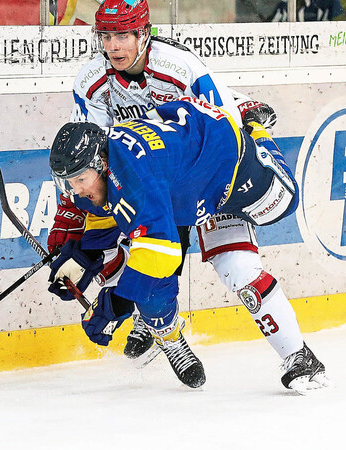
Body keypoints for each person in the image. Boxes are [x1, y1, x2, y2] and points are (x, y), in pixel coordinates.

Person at [48, 0, 279, 363]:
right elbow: (88, 154)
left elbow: (223, 125)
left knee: (166, 233)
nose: (113, 46)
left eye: (123, 35)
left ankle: (147, 312)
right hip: (134, 168)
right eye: (106, 36)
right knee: (120, 237)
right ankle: (150, 313)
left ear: (144, 33)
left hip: (188, 165)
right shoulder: (92, 80)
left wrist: (247, 123)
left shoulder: (179, 67)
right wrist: (72, 225)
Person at [47, 97, 330, 392]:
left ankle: (254, 125)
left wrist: (115, 304)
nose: (75, 190)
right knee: (145, 266)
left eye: (80, 179)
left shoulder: (137, 180)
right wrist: (80, 260)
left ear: (102, 164)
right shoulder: (102, 171)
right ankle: (166, 333)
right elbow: (109, 224)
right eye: (68, 182)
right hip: (182, 184)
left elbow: (162, 255)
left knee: (276, 214)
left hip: (230, 169)